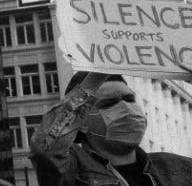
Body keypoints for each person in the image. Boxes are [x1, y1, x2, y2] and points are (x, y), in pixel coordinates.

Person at [29, 71, 192, 186]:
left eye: (130, 99)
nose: (127, 109)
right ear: (81, 121)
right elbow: (46, 148)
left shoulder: (177, 166)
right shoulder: (73, 171)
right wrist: (101, 68)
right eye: (109, 103)